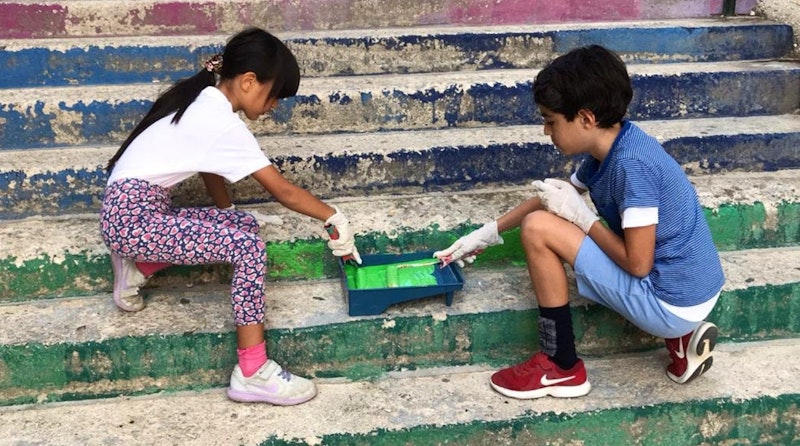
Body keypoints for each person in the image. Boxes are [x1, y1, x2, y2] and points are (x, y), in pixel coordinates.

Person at [434, 45, 725, 399]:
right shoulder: (616, 145)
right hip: (692, 288)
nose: (546, 131)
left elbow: (637, 263)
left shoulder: (633, 166)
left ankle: (561, 366)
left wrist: (583, 217)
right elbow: (551, 197)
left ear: (586, 119)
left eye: (551, 121)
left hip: (670, 301)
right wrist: (486, 233)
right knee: (544, 216)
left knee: (538, 229)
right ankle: (682, 341)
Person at [99, 27, 362, 406]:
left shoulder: (204, 99)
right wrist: (334, 217)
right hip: (134, 219)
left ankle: (138, 266)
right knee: (248, 249)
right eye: (274, 97)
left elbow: (207, 166)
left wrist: (227, 212)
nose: (273, 107)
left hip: (131, 212)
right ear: (250, 81)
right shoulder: (221, 120)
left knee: (241, 225)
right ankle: (252, 371)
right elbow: (283, 191)